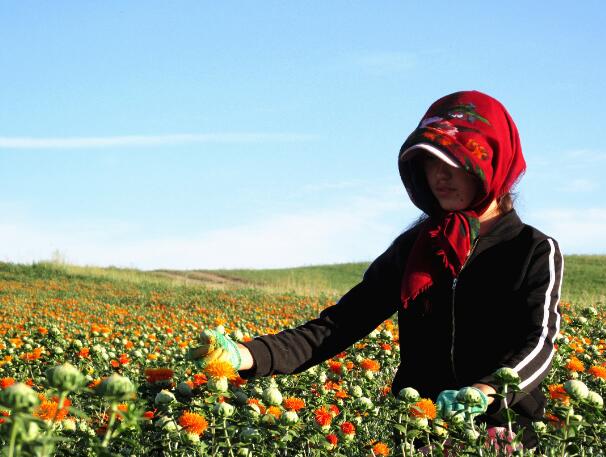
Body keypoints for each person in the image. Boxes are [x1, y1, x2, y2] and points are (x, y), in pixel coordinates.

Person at [191, 90, 564, 449]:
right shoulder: (415, 248)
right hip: (421, 433)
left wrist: (486, 392)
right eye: (430, 161)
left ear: (491, 162)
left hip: (504, 436)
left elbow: (539, 342)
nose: (439, 175)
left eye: (453, 160)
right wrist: (247, 354)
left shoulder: (532, 250)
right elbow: (338, 326)